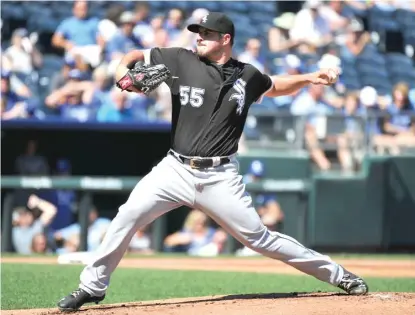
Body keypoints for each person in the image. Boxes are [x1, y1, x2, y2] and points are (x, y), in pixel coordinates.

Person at [57, 12, 368, 312]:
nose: (200, 38)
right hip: (174, 169)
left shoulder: (248, 75)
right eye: (198, 33)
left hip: (220, 176)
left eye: (207, 34)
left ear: (226, 39)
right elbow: (134, 54)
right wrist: (120, 72)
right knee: (128, 215)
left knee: (260, 239)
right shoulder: (180, 59)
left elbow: (274, 86)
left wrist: (309, 78)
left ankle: (337, 274)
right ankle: (92, 286)